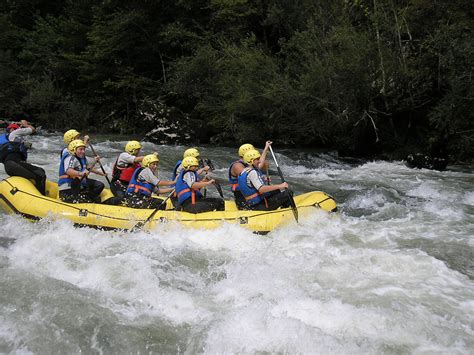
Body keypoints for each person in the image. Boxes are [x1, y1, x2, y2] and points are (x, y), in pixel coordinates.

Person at [0, 120, 47, 195]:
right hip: (14, 164)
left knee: (35, 172)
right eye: (18, 128)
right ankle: (42, 197)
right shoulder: (13, 133)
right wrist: (25, 124)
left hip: (9, 166)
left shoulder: (4, 142)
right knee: (40, 174)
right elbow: (32, 129)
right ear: (12, 130)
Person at [58, 139, 107, 203]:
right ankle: (89, 199)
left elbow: (88, 167)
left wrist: (101, 173)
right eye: (81, 149)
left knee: (99, 188)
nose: (83, 151)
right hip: (67, 188)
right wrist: (81, 173)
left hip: (76, 185)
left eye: (84, 149)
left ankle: (90, 198)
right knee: (89, 200)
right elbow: (68, 170)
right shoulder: (70, 158)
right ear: (74, 150)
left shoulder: (80, 157)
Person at [228, 142, 272, 208]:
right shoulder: (237, 166)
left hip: (253, 193)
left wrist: (266, 149)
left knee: (275, 191)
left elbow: (259, 165)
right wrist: (262, 179)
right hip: (242, 196)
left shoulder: (249, 164)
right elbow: (248, 177)